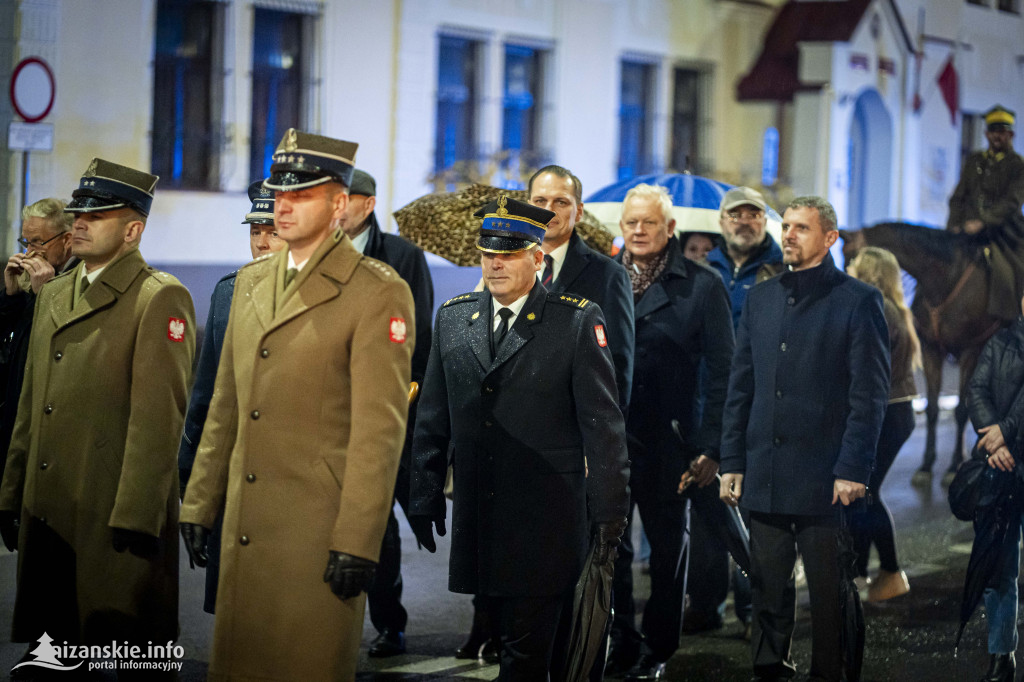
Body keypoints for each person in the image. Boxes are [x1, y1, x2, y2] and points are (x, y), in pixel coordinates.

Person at [179, 129, 415, 681]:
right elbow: (226, 406)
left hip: (317, 530)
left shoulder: (376, 291)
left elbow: (377, 432)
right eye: (277, 192)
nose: (282, 204)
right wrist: (199, 501)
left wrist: (358, 539)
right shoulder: (250, 283)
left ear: (338, 205)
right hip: (246, 524)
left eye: (301, 193)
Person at [409, 195, 630, 680]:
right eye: (488, 253)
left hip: (546, 518)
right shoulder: (454, 318)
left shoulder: (573, 321)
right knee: (516, 642)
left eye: (509, 253)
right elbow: (433, 416)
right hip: (481, 516)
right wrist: (423, 495)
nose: (495, 263)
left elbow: (604, 427)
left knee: (525, 655)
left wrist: (611, 515)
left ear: (536, 257)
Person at [0, 159, 195, 667]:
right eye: (78, 212)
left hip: (111, 517)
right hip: (50, 509)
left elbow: (158, 423)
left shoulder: (159, 297)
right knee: (55, 655)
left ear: (133, 230)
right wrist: (12, 489)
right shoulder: (55, 293)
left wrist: (135, 515)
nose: (80, 222)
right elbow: (31, 403)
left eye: (98, 214)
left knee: (125, 650)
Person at [720, 196, 890, 682]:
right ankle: (770, 669)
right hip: (766, 472)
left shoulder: (858, 301)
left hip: (825, 475)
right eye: (786, 226)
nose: (789, 235)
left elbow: (869, 395)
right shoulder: (762, 298)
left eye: (801, 228)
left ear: (829, 238)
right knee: (767, 590)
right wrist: (732, 459)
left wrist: (853, 469)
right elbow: (741, 387)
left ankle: (832, 674)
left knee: (830, 592)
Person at [608, 184, 734, 679]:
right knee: (612, 552)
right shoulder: (605, 279)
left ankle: (658, 649)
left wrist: (711, 446)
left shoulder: (702, 285)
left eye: (649, 223)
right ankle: (621, 642)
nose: (639, 231)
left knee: (666, 552)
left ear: (670, 229)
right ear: (621, 228)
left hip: (671, 442)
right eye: (631, 223)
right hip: (614, 440)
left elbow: (725, 373)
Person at [177, 180, 285, 614]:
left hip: (288, 475)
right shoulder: (229, 290)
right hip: (236, 466)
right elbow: (207, 392)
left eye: (272, 230)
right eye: (255, 231)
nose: (261, 241)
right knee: (234, 607)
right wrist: (192, 481)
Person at [339, 169, 434, 658]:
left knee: (381, 520)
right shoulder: (320, 254)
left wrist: (405, 397)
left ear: (368, 203)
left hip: (391, 407)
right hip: (334, 411)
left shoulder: (401, 256)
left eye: (346, 199)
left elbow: (418, 337)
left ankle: (388, 623)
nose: (337, 207)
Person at [528, 164, 634, 411]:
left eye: (561, 202)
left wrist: (605, 440)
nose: (548, 210)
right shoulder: (508, 268)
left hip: (574, 426)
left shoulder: (609, 275)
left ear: (580, 211)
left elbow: (617, 363)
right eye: (540, 200)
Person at [847, 247, 919, 602]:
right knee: (865, 492)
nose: (847, 267)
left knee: (863, 492)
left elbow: (864, 365)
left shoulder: (876, 308)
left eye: (854, 264)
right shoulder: (892, 309)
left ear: (870, 273)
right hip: (897, 409)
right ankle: (872, 574)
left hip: (887, 411)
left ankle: (884, 572)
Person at [966, 293, 1024, 682]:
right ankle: (1001, 653)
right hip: (1005, 468)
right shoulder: (1001, 342)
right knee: (999, 566)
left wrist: (1006, 431)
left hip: (1010, 452)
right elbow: (976, 390)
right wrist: (996, 441)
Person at [0, 199, 77, 481]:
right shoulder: (30, 280)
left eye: (38, 242)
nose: (28, 251)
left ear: (67, 240)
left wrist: (44, 295)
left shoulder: (72, 280)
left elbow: (48, 346)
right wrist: (10, 297)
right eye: (26, 241)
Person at [947, 105, 1024, 321]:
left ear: (1010, 135)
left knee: (1015, 272)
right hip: (967, 229)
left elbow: (1012, 202)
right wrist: (954, 224)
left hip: (1006, 233)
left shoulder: (1018, 166)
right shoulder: (975, 161)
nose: (997, 137)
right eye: (993, 132)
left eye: (1002, 132)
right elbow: (958, 197)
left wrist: (982, 222)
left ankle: (1013, 321)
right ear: (986, 134)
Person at [706, 186, 785, 329]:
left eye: (754, 215)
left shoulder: (783, 272)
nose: (744, 222)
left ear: (765, 223)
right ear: (721, 223)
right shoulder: (703, 269)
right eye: (734, 215)